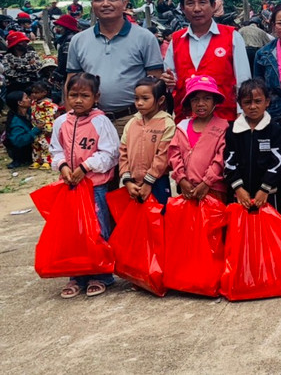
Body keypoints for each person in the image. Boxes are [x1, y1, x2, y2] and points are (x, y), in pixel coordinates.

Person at [50, 73, 118, 298]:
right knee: (74, 232)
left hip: (94, 186)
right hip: (70, 186)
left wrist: (85, 168)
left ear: (96, 97)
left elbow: (110, 153)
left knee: (97, 229)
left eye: (84, 95)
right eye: (73, 95)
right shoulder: (61, 122)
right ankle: (76, 275)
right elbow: (55, 150)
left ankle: (101, 273)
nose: (78, 100)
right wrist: (62, 166)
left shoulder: (101, 122)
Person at [66, 0, 164, 134]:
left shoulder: (145, 38)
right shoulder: (79, 40)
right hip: (90, 119)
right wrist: (71, 120)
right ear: (92, 5)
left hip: (133, 119)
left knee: (134, 159)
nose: (105, 4)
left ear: (124, 3)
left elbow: (156, 81)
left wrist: (153, 123)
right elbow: (71, 80)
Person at [162, 0, 251, 122]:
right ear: (183, 8)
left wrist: (242, 115)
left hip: (224, 119)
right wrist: (167, 81)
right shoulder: (176, 40)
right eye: (190, 3)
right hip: (186, 122)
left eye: (202, 2)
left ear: (213, 6)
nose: (197, 9)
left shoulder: (232, 36)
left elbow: (243, 80)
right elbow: (170, 79)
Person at [225, 79, 281, 211]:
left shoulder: (275, 129)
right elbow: (228, 161)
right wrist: (238, 188)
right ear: (240, 104)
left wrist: (264, 189)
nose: (253, 106)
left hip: (268, 195)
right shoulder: (233, 130)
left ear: (267, 102)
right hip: (240, 196)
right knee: (241, 230)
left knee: (267, 231)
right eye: (247, 102)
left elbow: (279, 162)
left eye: (258, 101)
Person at [168, 75, 229, 203]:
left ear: (215, 101)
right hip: (187, 190)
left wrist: (207, 182)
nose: (201, 104)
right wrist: (181, 180)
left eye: (207, 98)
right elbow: (174, 155)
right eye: (195, 99)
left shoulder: (223, 127)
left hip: (214, 190)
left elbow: (221, 158)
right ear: (189, 102)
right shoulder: (182, 127)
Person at [118, 77, 175, 207]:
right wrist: (127, 180)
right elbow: (123, 152)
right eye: (136, 98)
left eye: (145, 98)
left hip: (158, 182)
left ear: (160, 100)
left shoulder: (167, 124)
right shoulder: (132, 123)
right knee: (136, 222)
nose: (139, 103)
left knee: (159, 220)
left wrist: (148, 182)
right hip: (133, 184)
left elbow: (163, 157)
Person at [3, 91, 39, 169]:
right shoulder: (15, 121)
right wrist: (36, 130)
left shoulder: (29, 112)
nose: (29, 99)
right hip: (21, 151)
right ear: (20, 103)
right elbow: (19, 141)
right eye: (26, 98)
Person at [29, 81, 57, 170]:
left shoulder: (47, 104)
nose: (34, 94)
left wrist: (49, 128)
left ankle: (47, 161)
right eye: (33, 92)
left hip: (45, 128)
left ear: (44, 92)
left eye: (36, 92)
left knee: (46, 145)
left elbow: (50, 116)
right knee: (36, 145)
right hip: (36, 127)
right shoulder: (34, 103)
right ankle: (37, 160)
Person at [52, 14, 81, 82]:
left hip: (70, 74)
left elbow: (65, 59)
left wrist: (58, 74)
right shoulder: (71, 38)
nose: (57, 28)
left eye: (59, 26)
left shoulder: (69, 40)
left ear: (66, 27)